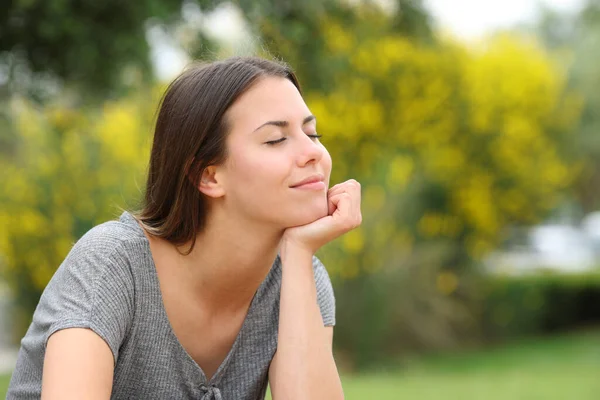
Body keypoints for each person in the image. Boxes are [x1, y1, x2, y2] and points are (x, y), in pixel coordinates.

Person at [7, 56, 361, 399]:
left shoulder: (301, 281)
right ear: (208, 176)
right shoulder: (112, 263)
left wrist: (299, 254)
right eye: (275, 139)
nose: (314, 153)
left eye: (312, 134)